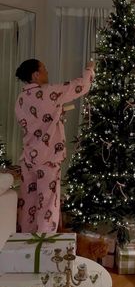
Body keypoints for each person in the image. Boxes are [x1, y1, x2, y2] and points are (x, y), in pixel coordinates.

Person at [15, 59, 95, 233]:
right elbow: (80, 86)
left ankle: (26, 246)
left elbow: (35, 123)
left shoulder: (21, 99)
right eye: (44, 69)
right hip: (48, 159)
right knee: (48, 205)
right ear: (35, 74)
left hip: (28, 158)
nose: (47, 72)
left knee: (28, 204)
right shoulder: (48, 92)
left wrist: (57, 113)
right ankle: (44, 246)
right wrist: (90, 70)